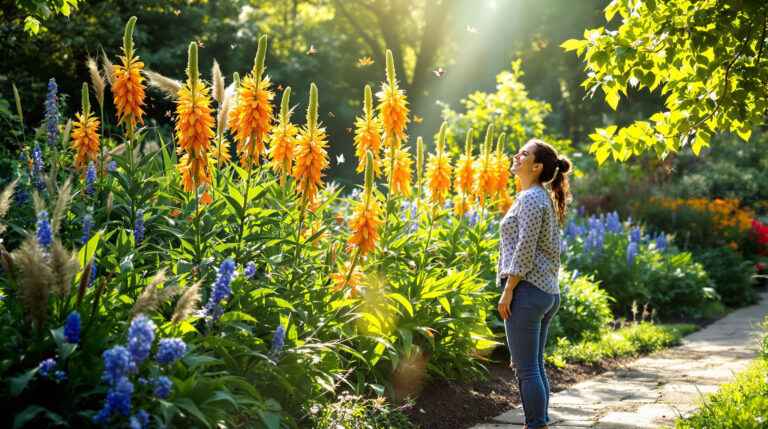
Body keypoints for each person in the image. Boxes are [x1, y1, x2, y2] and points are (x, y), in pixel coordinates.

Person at [496, 139, 572, 429]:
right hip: (546, 291)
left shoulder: (530, 198)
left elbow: (525, 247)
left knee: (527, 370)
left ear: (537, 166)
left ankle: (536, 425)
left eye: (524, 153)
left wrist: (508, 290)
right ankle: (539, 423)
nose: (517, 155)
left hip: (527, 291)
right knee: (534, 367)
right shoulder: (540, 197)